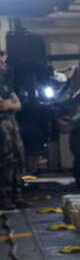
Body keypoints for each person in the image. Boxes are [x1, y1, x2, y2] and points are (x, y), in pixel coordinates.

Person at [0, 52, 27, 210]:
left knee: (18, 156)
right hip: (2, 124)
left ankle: (17, 194)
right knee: (5, 159)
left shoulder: (5, 82)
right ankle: (4, 196)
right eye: (0, 63)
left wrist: (10, 104)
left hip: (11, 122)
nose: (3, 66)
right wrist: (10, 104)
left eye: (3, 63)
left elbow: (18, 104)